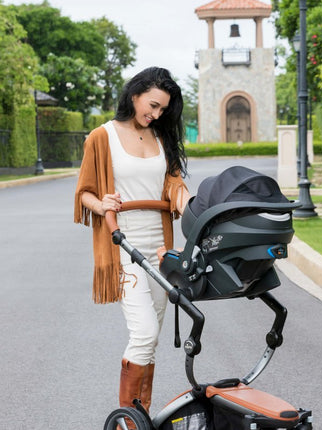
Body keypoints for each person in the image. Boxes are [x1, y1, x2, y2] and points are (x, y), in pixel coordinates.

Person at [74, 67, 190, 417]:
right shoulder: (101, 136)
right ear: (136, 93)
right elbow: (84, 193)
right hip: (124, 248)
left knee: (150, 340)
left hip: (160, 251)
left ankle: (141, 416)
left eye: (162, 110)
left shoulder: (161, 138)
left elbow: (173, 185)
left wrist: (188, 201)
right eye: (152, 105)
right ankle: (128, 420)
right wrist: (102, 203)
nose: (155, 114)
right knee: (144, 332)